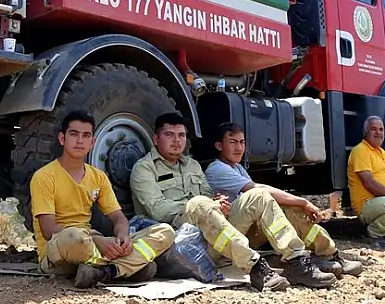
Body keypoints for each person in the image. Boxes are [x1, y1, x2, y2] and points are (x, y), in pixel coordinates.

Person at [130, 112, 335, 291]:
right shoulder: (144, 168)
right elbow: (157, 209)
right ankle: (255, 267)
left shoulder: (192, 165)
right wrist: (204, 204)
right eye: (169, 135)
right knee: (199, 203)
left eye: (181, 135)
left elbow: (210, 196)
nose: (176, 140)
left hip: (213, 238)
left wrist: (218, 203)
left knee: (259, 196)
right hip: (178, 246)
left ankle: (297, 260)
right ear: (156, 139)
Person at [29, 110, 175, 288]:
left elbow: (118, 217)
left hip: (93, 245)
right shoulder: (44, 176)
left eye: (86, 136)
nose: (80, 141)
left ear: (92, 142)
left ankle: (107, 272)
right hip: (61, 249)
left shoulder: (98, 177)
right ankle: (127, 267)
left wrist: (122, 237)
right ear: (62, 139)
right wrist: (98, 241)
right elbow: (48, 230)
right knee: (75, 238)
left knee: (165, 231)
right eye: (74, 134)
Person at [205, 122, 363, 277]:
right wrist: (303, 202)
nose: (239, 148)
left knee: (290, 206)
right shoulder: (217, 169)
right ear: (219, 146)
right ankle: (296, 260)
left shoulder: (237, 167)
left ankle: (329, 254)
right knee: (272, 199)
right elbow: (258, 190)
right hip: (230, 234)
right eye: (233, 143)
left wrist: (297, 203)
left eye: (242, 142)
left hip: (245, 228)